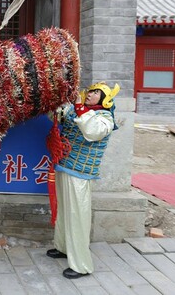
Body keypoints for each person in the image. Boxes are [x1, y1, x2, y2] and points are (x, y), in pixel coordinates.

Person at [46, 81, 120, 279]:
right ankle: (62, 247)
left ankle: (81, 265)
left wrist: (78, 107)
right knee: (63, 210)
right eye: (91, 91)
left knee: (77, 215)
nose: (90, 94)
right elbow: (57, 116)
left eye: (96, 93)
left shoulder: (105, 118)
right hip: (64, 164)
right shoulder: (79, 109)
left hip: (80, 172)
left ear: (105, 100)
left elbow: (92, 132)